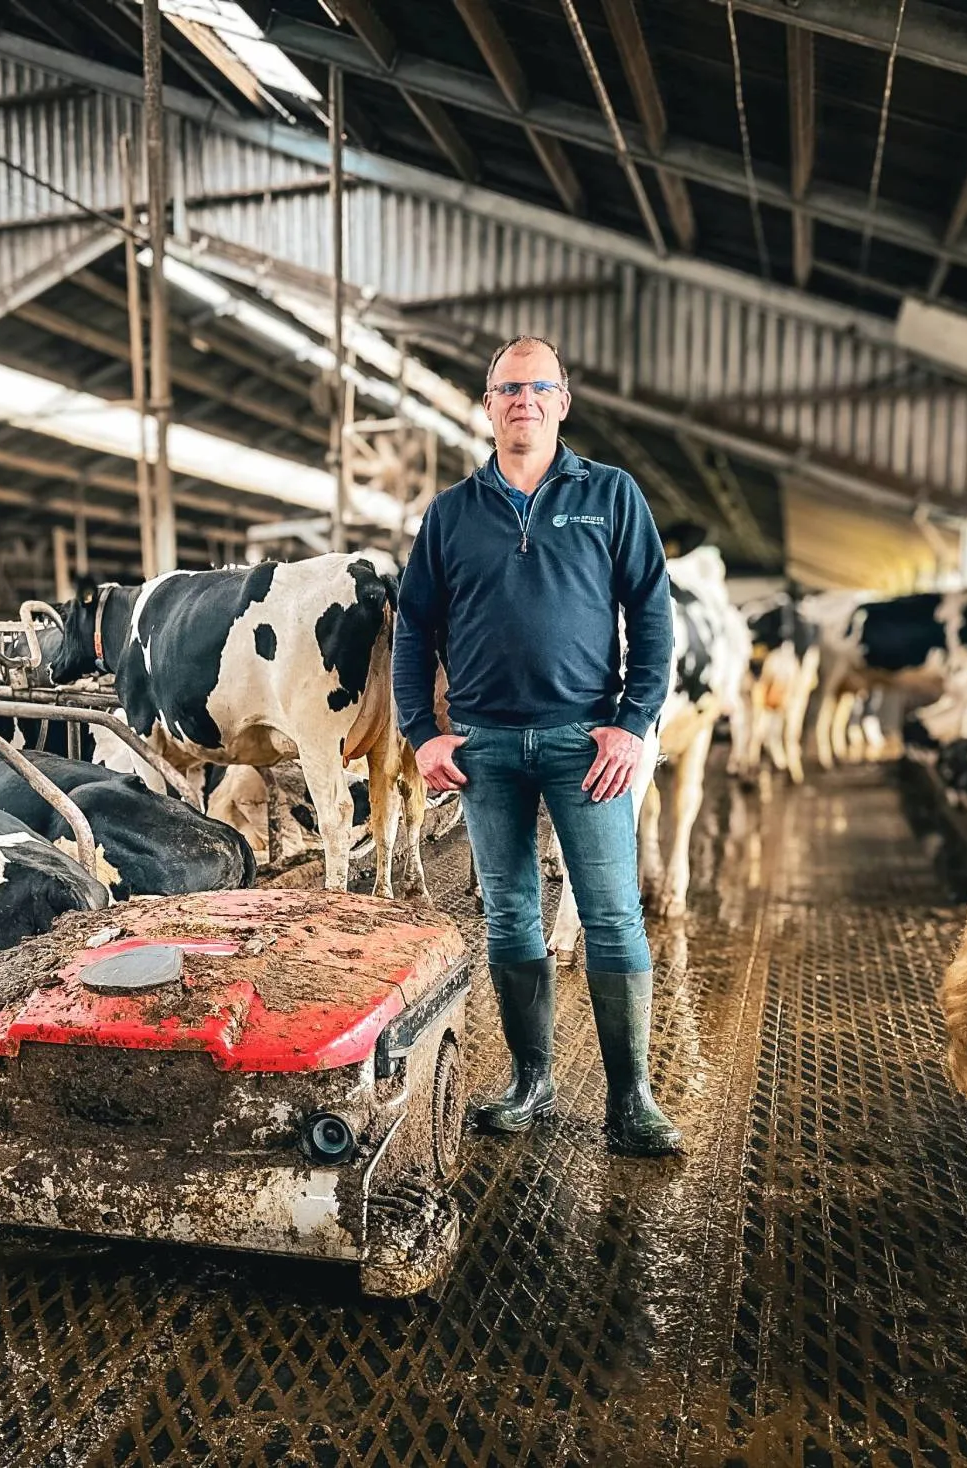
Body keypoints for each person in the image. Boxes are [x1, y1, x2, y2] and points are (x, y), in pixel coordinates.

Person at [390, 335, 683, 1156]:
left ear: (562, 402)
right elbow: (414, 628)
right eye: (507, 389)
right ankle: (531, 1081)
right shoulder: (451, 513)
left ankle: (632, 1099)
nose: (523, 400)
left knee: (613, 917)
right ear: (487, 407)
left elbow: (653, 614)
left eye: (538, 387)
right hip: (483, 745)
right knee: (510, 916)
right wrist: (421, 732)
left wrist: (635, 722)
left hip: (585, 743)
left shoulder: (612, 494)